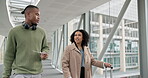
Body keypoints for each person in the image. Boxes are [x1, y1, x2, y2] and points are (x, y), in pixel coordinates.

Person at [2, 5, 49, 78]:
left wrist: (45, 52)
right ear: (28, 14)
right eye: (37, 14)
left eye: (39, 15)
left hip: (37, 73)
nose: (39, 17)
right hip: (20, 73)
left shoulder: (42, 32)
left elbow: (45, 47)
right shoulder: (14, 32)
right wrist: (6, 75)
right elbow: (9, 54)